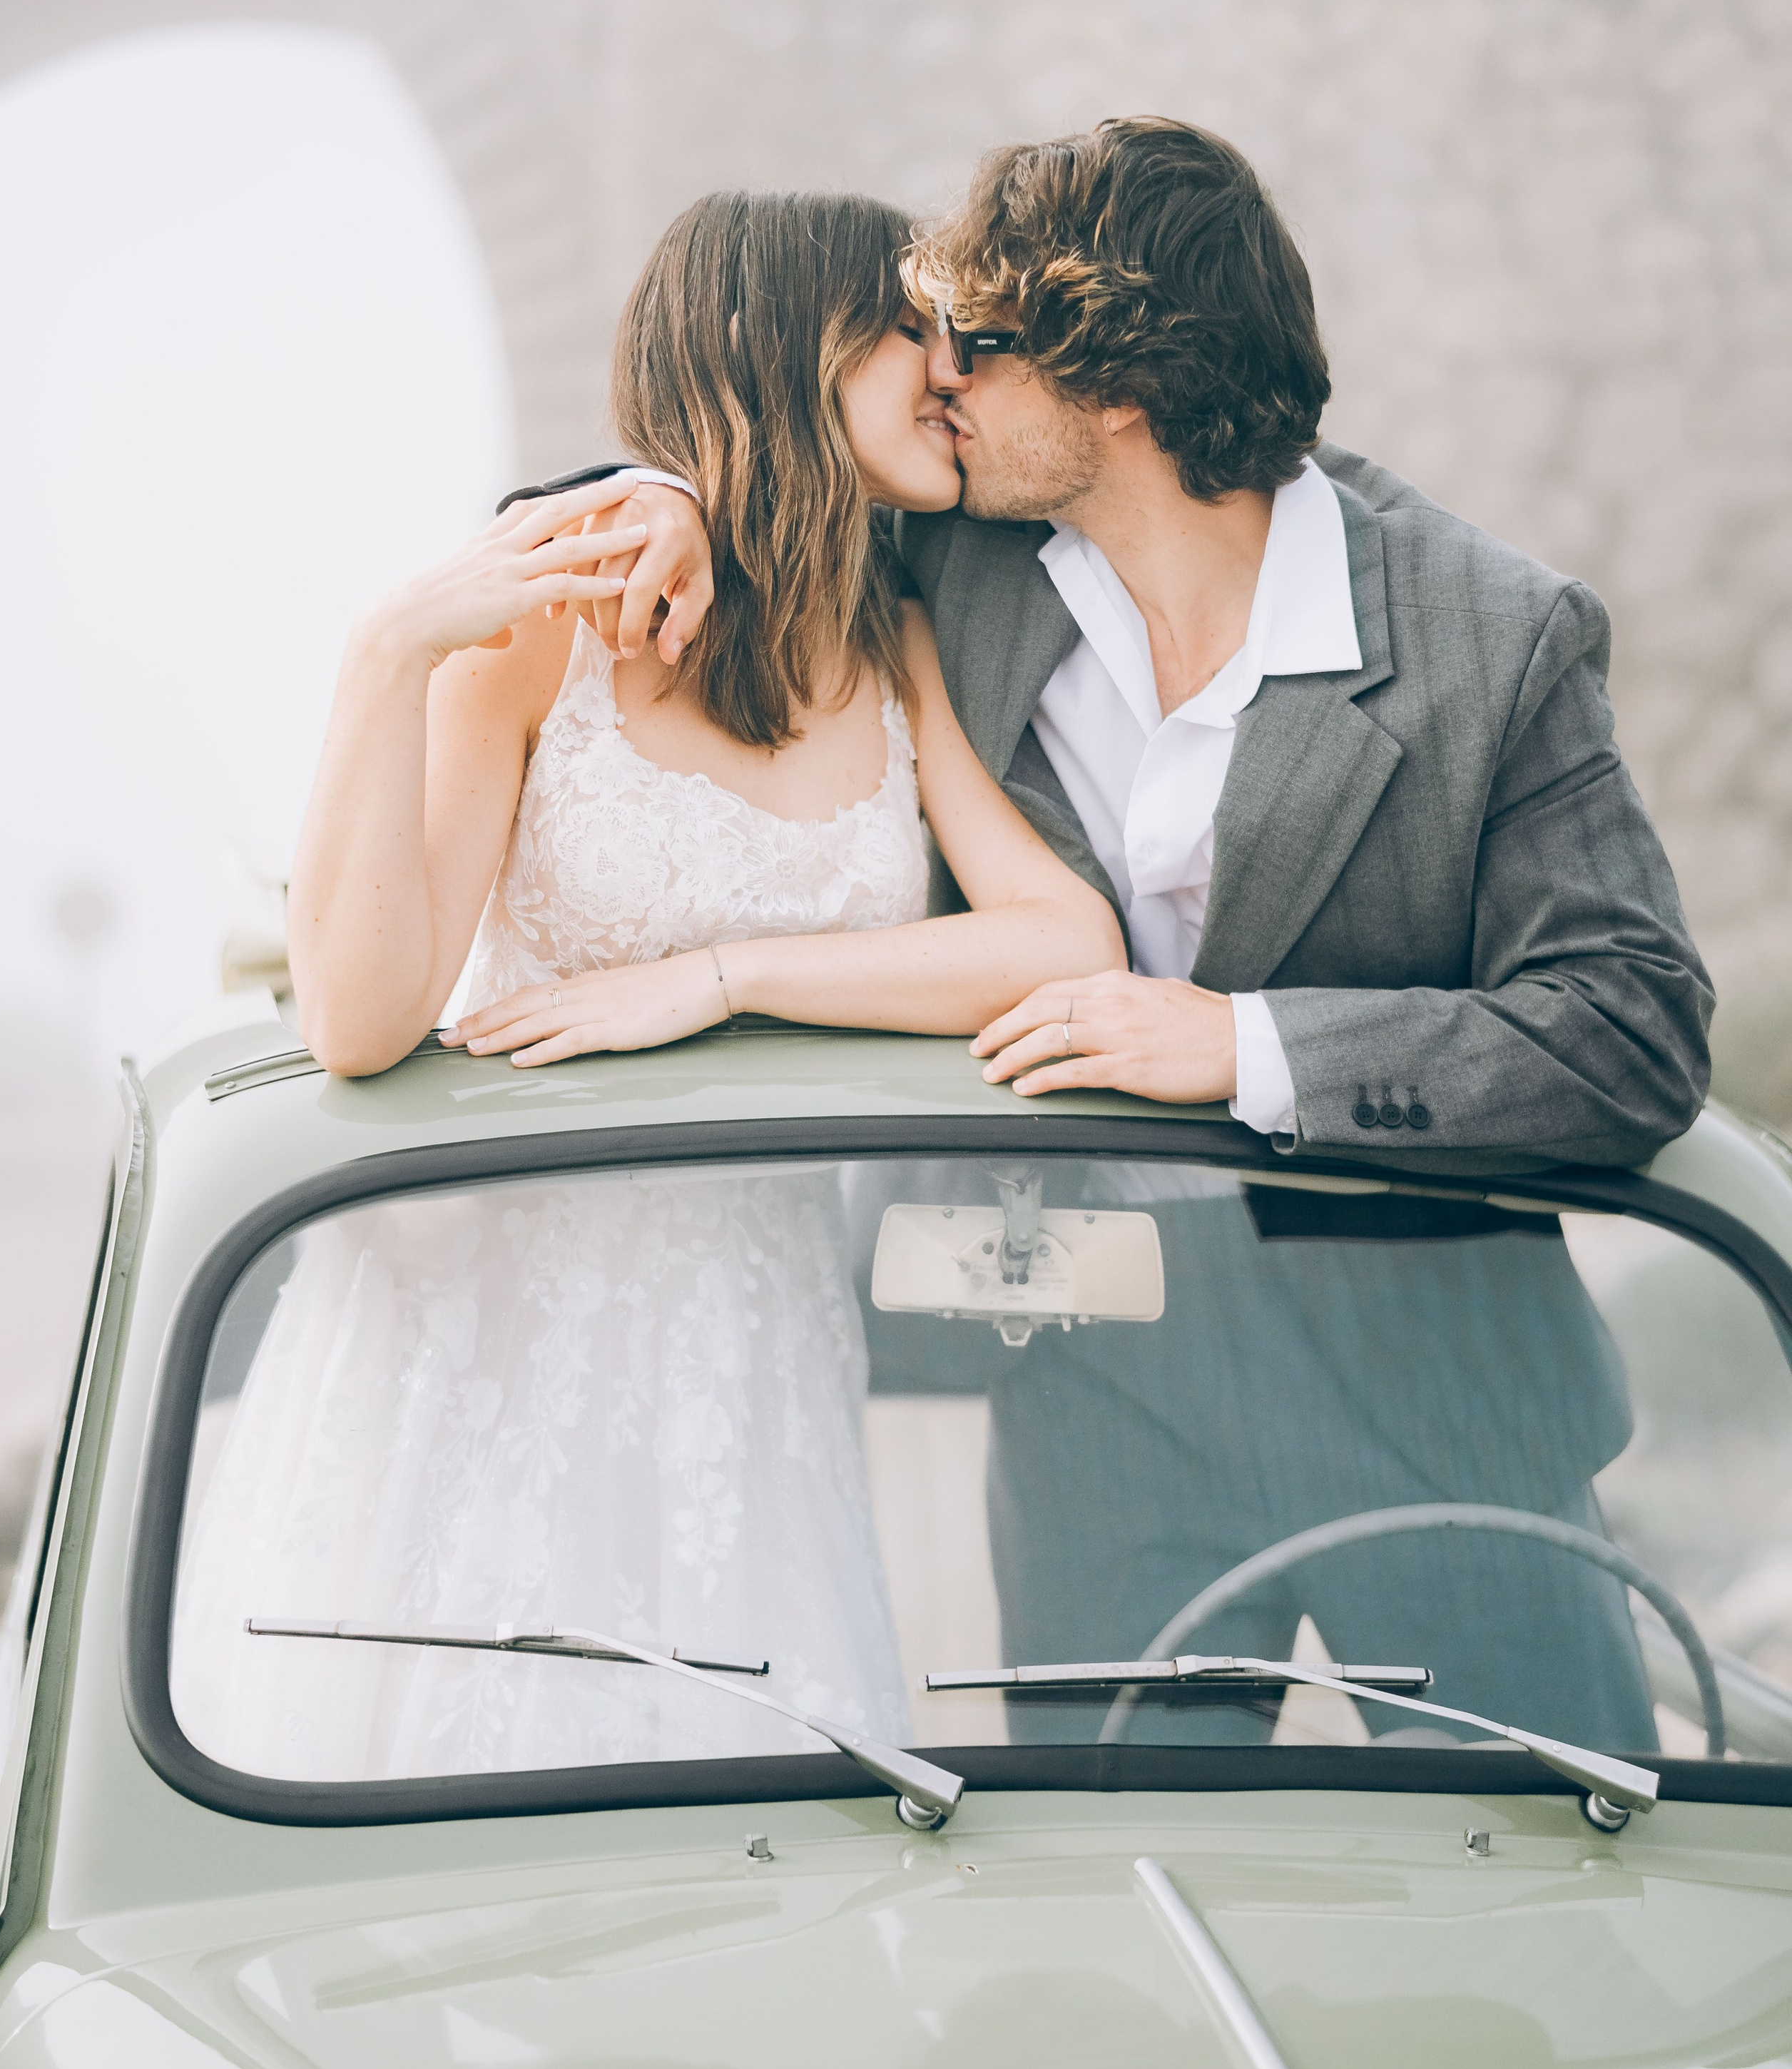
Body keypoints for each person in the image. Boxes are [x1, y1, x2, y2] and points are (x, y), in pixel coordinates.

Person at [554, 118, 1713, 1749]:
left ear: (1117, 383)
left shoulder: (1489, 638)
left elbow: (1629, 1028)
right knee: (1107, 1882)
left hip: (1440, 1398)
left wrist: (1243, 1045)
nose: (937, 375)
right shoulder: (948, 551)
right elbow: (749, 450)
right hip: (1091, 1388)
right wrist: (663, 496)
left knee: (1535, 1881)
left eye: (978, 341)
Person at [168, 190, 1124, 1784]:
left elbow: (1066, 945)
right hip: (486, 1328)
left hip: (749, 1333)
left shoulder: (894, 639)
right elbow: (357, 1018)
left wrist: (721, 980)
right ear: (793, 350)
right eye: (906, 327)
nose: (950, 362)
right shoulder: (549, 630)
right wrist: (386, 654)